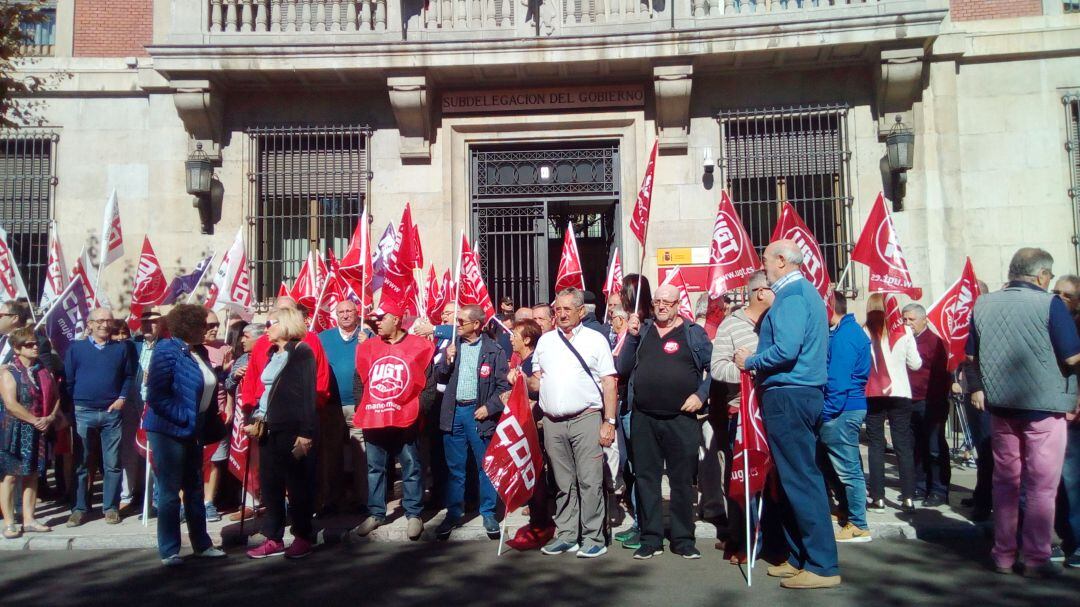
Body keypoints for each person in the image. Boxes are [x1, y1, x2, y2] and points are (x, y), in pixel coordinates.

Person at [968, 248, 1080, 578]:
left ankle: (1003, 555)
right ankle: (1034, 558)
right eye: (1049, 276)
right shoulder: (1050, 304)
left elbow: (971, 355)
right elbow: (1072, 357)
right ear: (1041, 275)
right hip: (1044, 406)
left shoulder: (983, 304)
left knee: (1006, 483)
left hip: (1001, 406)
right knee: (1042, 485)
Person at [733, 239, 839, 589]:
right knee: (793, 477)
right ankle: (800, 556)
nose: (763, 266)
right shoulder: (803, 295)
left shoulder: (794, 297)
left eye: (766, 260)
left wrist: (752, 361)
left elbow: (788, 349)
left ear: (781, 261)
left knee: (800, 478)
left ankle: (822, 565)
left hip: (790, 392)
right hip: (795, 391)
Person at [616, 284, 712, 560]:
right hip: (644, 418)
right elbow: (622, 368)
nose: (661, 306)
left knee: (682, 481)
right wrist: (631, 337)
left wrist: (701, 394)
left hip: (681, 419)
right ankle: (651, 538)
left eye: (667, 302)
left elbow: (714, 368)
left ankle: (683, 540)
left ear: (678, 303)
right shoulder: (643, 331)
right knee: (646, 479)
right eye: (657, 301)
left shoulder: (693, 334)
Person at [532, 287, 618, 558]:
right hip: (553, 422)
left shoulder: (596, 340)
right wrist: (521, 381)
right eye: (557, 309)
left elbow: (609, 382)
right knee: (562, 481)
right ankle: (567, 534)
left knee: (590, 480)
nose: (561, 314)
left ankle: (593, 536)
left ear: (581, 311)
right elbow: (537, 379)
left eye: (567, 309)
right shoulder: (545, 341)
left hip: (586, 419)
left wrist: (610, 421)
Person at [142, 304, 228, 566]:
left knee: (194, 488)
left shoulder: (200, 351)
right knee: (169, 492)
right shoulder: (166, 350)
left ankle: (202, 544)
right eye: (204, 326)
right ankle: (169, 550)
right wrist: (184, 417)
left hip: (194, 428)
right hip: (168, 429)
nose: (209, 330)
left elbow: (205, 386)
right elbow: (157, 395)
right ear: (188, 326)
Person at [351, 299, 436, 542]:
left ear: (396, 320)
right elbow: (359, 380)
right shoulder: (367, 348)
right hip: (374, 417)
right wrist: (362, 406)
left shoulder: (420, 346)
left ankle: (413, 514)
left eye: (382, 319)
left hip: (406, 420)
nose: (377, 323)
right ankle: (376, 512)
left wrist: (418, 410)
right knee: (375, 467)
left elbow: (428, 384)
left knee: (411, 466)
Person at [709, 270, 774, 560]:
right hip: (743, 414)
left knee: (773, 481)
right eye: (775, 288)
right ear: (760, 292)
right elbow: (718, 367)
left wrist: (757, 362)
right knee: (743, 479)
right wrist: (748, 369)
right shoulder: (731, 326)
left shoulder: (779, 321)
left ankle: (770, 539)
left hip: (774, 410)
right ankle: (742, 540)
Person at [245, 308, 319, 560]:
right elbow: (267, 391)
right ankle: (273, 538)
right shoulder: (271, 353)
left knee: (297, 485)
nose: (266, 328)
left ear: (285, 324)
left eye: (270, 323)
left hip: (293, 428)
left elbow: (308, 394)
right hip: (268, 427)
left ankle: (302, 536)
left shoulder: (301, 352)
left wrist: (306, 432)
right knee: (270, 486)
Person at [434, 304, 510, 540]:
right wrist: (446, 360)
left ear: (476, 325)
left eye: (461, 322)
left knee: (484, 466)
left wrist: (489, 407)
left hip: (479, 415)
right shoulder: (452, 347)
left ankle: (487, 512)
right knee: (455, 467)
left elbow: (503, 386)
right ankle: (454, 511)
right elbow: (439, 376)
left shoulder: (493, 350)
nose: (456, 325)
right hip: (454, 412)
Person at [64, 308, 136, 527]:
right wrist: (74, 405)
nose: (105, 324)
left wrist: (122, 397)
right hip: (83, 411)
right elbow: (68, 380)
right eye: (100, 320)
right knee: (82, 463)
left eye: (109, 320)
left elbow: (129, 375)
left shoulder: (121, 349)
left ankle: (111, 507)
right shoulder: (76, 349)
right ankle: (79, 508)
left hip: (111, 412)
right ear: (90, 324)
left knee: (112, 463)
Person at [0, 327, 63, 539]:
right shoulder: (8, 372)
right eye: (29, 344)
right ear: (17, 349)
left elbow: (56, 396)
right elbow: (11, 404)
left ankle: (29, 519)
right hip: (15, 429)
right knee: (9, 476)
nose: (35, 347)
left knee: (33, 474)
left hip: (39, 428)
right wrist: (35, 420)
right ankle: (9, 522)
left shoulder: (43, 370)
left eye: (35, 343)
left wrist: (50, 417)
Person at [863, 295, 922, 513]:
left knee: (876, 444)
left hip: (874, 393)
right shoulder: (904, 331)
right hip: (900, 392)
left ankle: (877, 497)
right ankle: (908, 497)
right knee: (902, 444)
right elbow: (915, 364)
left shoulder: (864, 331)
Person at [821, 292, 872, 542]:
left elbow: (838, 381)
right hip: (846, 406)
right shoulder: (845, 333)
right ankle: (847, 512)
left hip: (842, 409)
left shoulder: (844, 337)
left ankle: (858, 524)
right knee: (842, 466)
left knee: (848, 469)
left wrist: (826, 413)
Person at [505, 319, 555, 550]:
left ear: (527, 339)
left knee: (537, 476)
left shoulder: (532, 365)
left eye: (514, 334)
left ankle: (541, 521)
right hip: (526, 429)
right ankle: (537, 518)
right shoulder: (521, 362)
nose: (510, 338)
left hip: (536, 430)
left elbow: (539, 392)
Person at [319, 299, 369, 514]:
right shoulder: (323, 338)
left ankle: (363, 500)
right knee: (331, 456)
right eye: (341, 312)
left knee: (362, 455)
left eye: (350, 311)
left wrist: (369, 345)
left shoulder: (367, 336)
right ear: (335, 316)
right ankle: (332, 500)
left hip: (359, 405)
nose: (346, 315)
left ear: (357, 314)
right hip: (332, 407)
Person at [902, 303, 952, 507]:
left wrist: (938, 403)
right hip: (908, 401)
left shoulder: (936, 342)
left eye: (911, 319)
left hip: (930, 402)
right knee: (916, 448)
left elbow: (942, 375)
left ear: (924, 320)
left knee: (934, 448)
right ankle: (920, 485)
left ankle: (939, 489)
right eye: (904, 319)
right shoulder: (904, 340)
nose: (907, 323)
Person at [1053, 275, 1080, 567]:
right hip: (1054, 411)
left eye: (1067, 295)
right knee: (1056, 480)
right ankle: (1063, 537)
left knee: (1073, 480)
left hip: (1074, 413)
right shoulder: (1052, 325)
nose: (1060, 298)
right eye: (1055, 292)